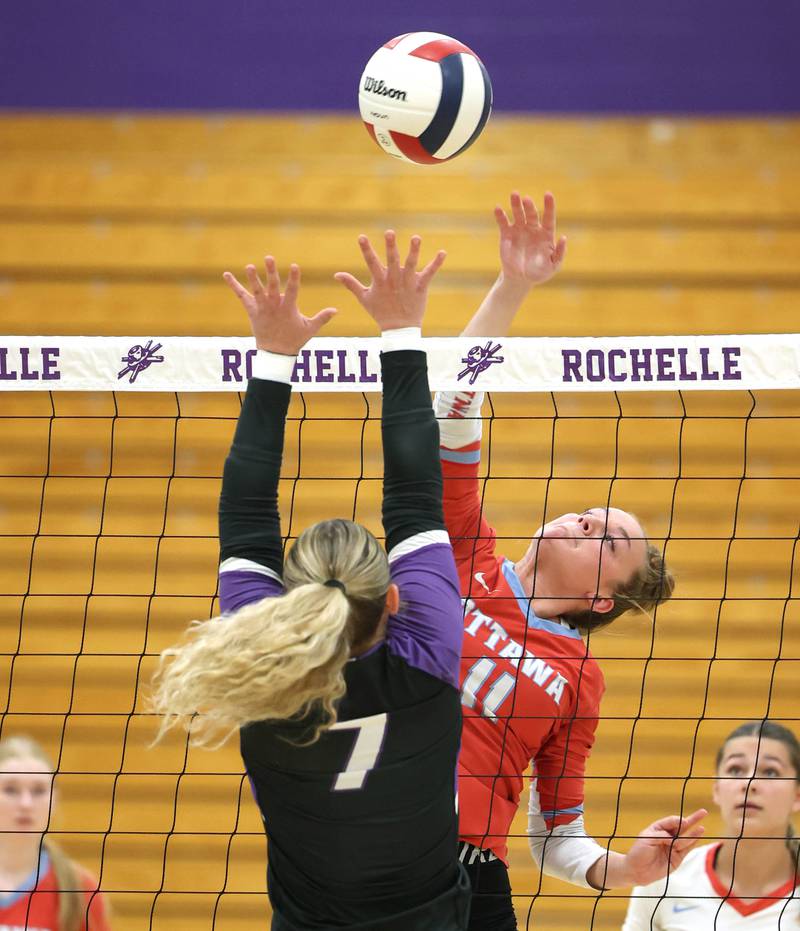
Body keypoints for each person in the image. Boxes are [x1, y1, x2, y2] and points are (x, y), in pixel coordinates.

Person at [151, 233, 472, 930]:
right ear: (394, 600)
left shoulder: (261, 673)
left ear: (288, 603)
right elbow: (411, 495)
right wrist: (391, 332)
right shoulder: (426, 652)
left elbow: (404, 500)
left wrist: (283, 354)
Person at [435, 192, 706, 929]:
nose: (587, 521)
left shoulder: (578, 676)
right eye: (593, 513)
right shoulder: (465, 552)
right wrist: (512, 285)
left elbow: (557, 837)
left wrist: (628, 869)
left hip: (468, 876)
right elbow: (452, 405)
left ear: (602, 598)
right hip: (370, 841)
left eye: (607, 540)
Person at [623, 720, 800, 929]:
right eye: (735, 770)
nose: (749, 783)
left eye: (770, 772)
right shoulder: (665, 878)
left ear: (797, 795)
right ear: (716, 789)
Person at [0, 736, 110, 931]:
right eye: (11, 790)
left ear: (54, 799)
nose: (26, 804)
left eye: (38, 791)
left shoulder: (80, 889)